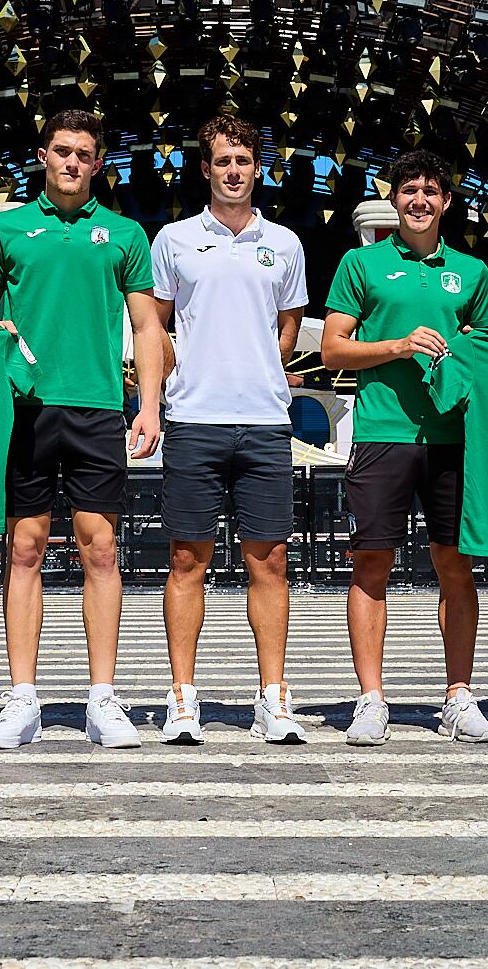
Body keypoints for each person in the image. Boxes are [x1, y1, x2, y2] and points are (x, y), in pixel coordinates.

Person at [0, 110, 167, 748]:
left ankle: (102, 700)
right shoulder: (8, 228)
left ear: (99, 163)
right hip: (26, 407)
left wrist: (150, 404)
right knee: (23, 549)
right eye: (62, 151)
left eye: (84, 153)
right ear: (42, 157)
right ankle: (21, 699)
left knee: (99, 550)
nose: (73, 163)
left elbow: (145, 327)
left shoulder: (125, 233)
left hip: (98, 407)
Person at [321, 150, 488, 745]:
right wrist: (397, 347)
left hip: (452, 438)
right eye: (408, 190)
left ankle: (458, 695)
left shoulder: (472, 271)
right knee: (372, 564)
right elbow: (333, 351)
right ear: (392, 199)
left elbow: (486, 353)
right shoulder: (360, 263)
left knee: (455, 565)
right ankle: (371, 699)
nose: (419, 200)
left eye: (431, 190)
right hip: (382, 433)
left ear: (447, 201)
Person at [150, 115, 310, 744]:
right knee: (187, 559)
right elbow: (154, 322)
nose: (234, 171)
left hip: (266, 422)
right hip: (194, 420)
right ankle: (183, 697)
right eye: (223, 161)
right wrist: (166, 382)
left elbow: (289, 322)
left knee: (269, 561)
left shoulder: (287, 244)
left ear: (257, 166)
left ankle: (273, 695)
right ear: (205, 168)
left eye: (243, 159)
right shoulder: (175, 240)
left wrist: (265, 367)